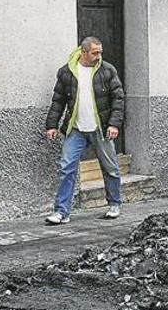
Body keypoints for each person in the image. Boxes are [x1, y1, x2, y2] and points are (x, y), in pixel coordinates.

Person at [45, 36, 125, 224]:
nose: (99, 56)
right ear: (84, 52)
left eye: (100, 52)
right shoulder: (67, 72)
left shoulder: (107, 70)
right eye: (95, 53)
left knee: (110, 167)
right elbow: (58, 101)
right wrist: (51, 125)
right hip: (76, 128)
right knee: (67, 169)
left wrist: (114, 124)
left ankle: (114, 204)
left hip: (101, 128)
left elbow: (118, 99)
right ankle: (62, 212)